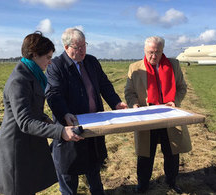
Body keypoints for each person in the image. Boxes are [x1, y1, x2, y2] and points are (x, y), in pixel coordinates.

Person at [0, 31, 83, 195]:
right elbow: (24, 121)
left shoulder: (32, 75)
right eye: (47, 57)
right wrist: (59, 132)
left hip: (28, 145)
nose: (50, 62)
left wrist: (50, 122)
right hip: (16, 149)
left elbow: (33, 112)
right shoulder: (19, 80)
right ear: (34, 55)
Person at [45, 27, 127, 195]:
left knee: (93, 165)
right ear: (66, 47)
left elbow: (104, 85)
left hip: (94, 123)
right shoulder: (56, 66)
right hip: (70, 126)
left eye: (84, 45)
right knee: (69, 169)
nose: (82, 50)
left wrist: (116, 103)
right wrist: (64, 114)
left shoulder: (91, 61)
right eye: (77, 47)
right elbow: (53, 94)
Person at [124, 36, 192, 194]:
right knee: (145, 154)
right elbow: (129, 92)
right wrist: (134, 105)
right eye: (150, 52)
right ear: (144, 50)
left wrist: (174, 101)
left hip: (169, 115)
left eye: (157, 52)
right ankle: (142, 184)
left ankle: (171, 181)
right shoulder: (135, 68)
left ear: (162, 51)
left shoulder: (173, 65)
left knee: (172, 152)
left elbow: (182, 87)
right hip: (147, 117)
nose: (153, 56)